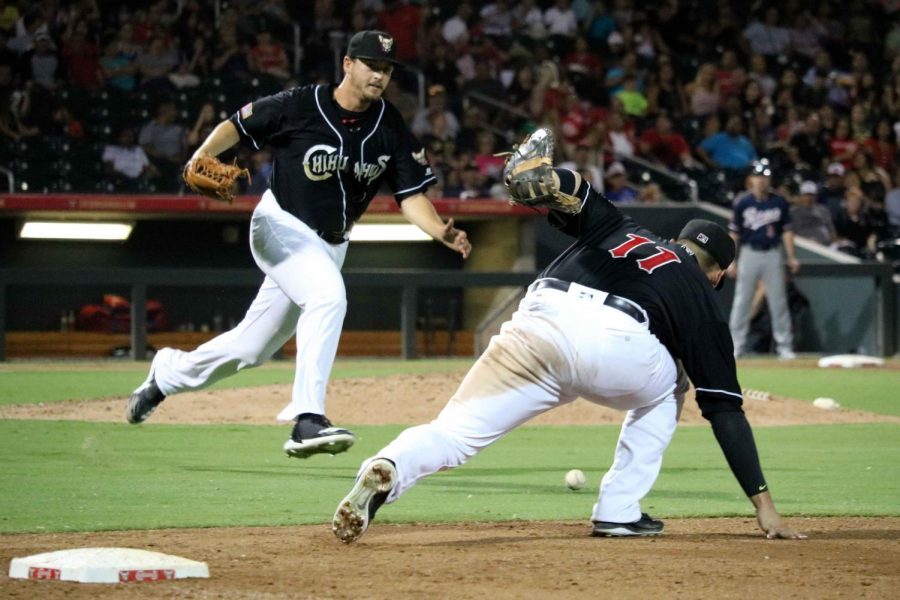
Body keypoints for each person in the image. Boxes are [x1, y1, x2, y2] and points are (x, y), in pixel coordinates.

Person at [331, 145, 805, 544]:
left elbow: (573, 194)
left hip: (537, 322)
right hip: (617, 344)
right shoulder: (701, 292)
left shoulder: (622, 226)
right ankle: (618, 510)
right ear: (719, 272)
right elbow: (724, 410)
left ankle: (390, 463)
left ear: (676, 239)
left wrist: (546, 175)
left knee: (453, 433)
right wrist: (763, 504)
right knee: (673, 386)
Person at [126, 31, 472, 460]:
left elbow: (411, 195)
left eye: (385, 69)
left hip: (330, 247)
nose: (379, 76)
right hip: (280, 226)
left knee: (249, 350)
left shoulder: (390, 124)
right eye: (371, 65)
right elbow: (236, 124)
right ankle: (308, 419)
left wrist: (439, 230)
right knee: (328, 297)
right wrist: (200, 155)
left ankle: (166, 376)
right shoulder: (300, 104)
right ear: (347, 64)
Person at [728, 160, 799, 360]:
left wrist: (791, 256)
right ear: (752, 179)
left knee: (778, 301)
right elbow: (735, 234)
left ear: (769, 179)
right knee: (742, 300)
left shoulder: (779, 202)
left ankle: (785, 347)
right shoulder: (743, 202)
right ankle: (736, 346)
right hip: (749, 253)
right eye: (759, 176)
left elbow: (787, 232)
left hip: (772, 253)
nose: (762, 180)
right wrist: (732, 260)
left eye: (765, 177)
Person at [790, 181, 835, 246]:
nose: (808, 198)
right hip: (801, 246)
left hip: (824, 247)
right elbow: (789, 233)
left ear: (816, 196)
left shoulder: (823, 210)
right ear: (801, 195)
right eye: (806, 195)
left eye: (811, 195)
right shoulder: (793, 212)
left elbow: (832, 232)